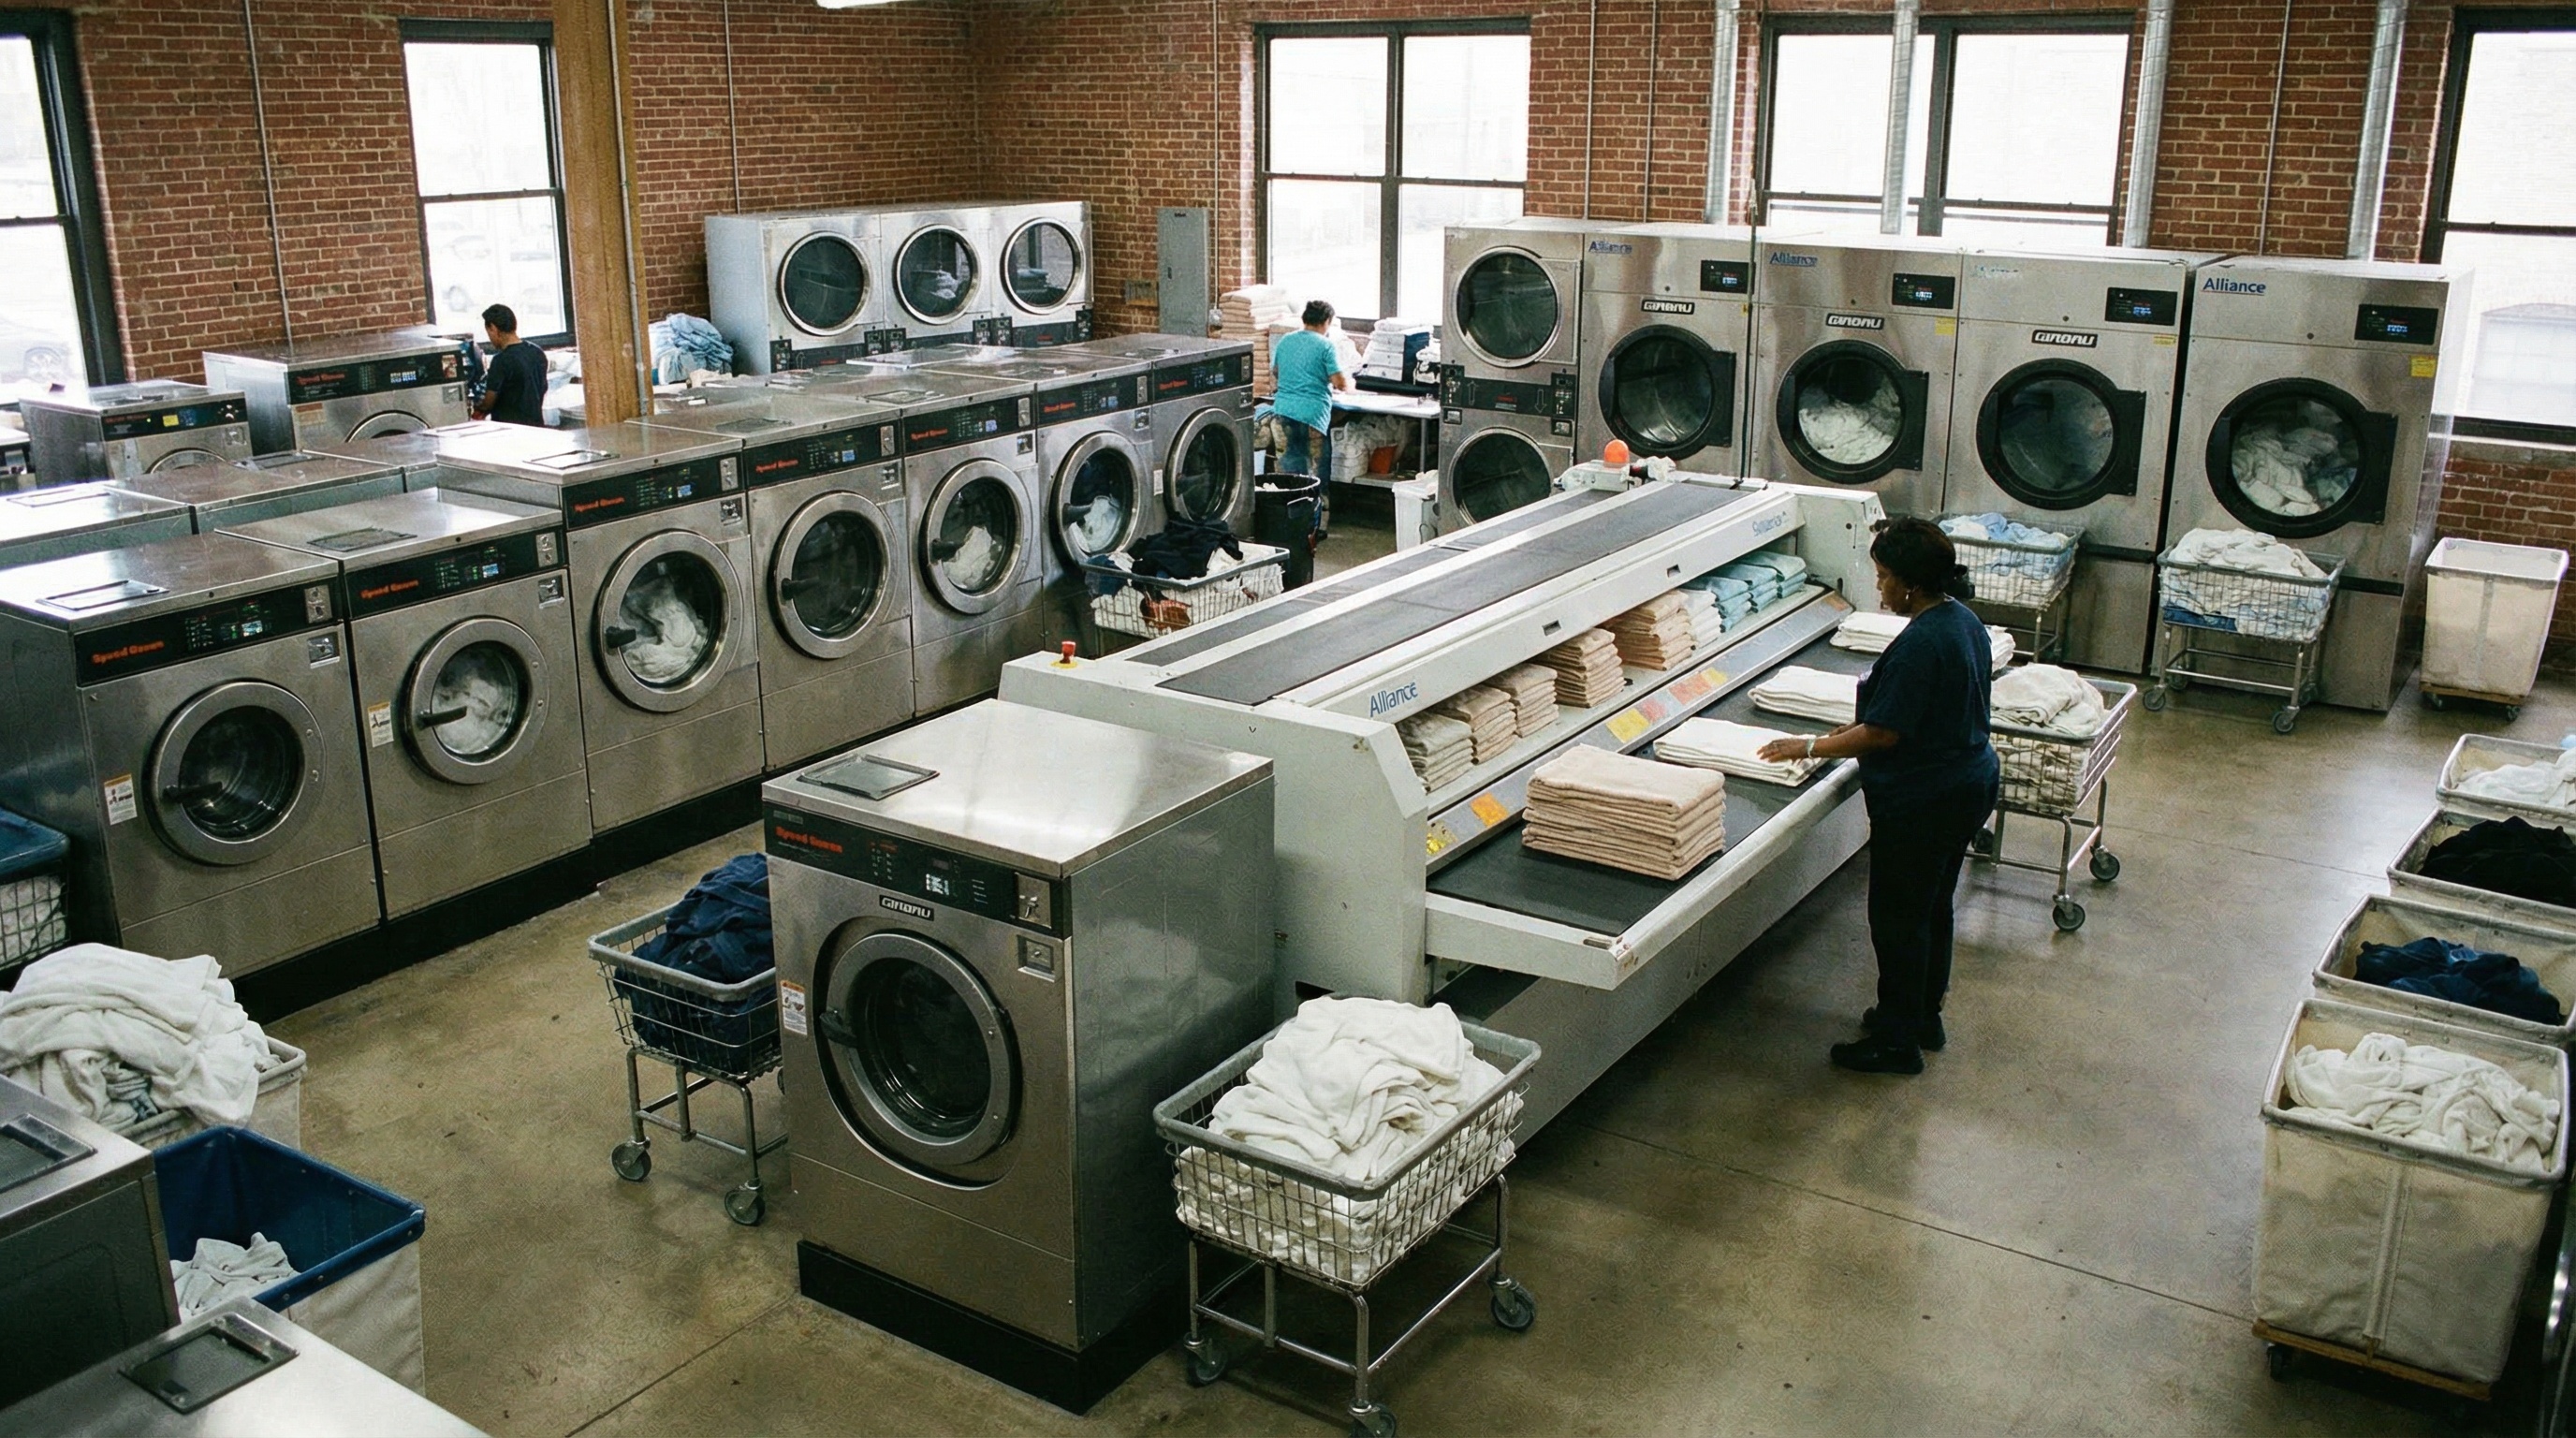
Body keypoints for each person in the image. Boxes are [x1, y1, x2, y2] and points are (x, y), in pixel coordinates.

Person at [1758, 519, 1999, 1075]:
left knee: (1898, 920)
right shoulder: (1961, 620)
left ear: (1911, 584)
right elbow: (1920, 708)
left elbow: (1887, 733)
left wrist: (1809, 745)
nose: (1879, 585)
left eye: (1885, 576)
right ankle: (1921, 1017)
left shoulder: (1922, 642)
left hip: (1926, 799)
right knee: (1932, 907)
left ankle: (1896, 1042)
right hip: (1967, 782)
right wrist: (1854, 726)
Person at [1271, 300, 1349, 486]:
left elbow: (1276, 371)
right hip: (1312, 417)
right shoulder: (1326, 345)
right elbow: (1339, 383)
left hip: (1282, 413)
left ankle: (1291, 502)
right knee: (1316, 473)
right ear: (1327, 321)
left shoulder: (1285, 340)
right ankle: (1319, 503)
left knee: (1289, 474)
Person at [474, 303, 548, 427]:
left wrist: (477, 408)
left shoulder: (501, 360)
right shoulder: (537, 352)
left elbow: (488, 403)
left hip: (510, 429)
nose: (490, 339)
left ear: (493, 328)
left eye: (488, 333)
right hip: (536, 426)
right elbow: (542, 388)